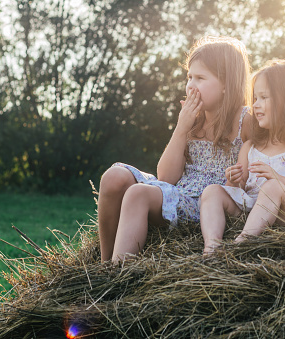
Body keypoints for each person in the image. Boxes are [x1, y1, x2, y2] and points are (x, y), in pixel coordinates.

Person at [98, 36, 252, 263]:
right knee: (113, 177)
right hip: (180, 193)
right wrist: (182, 127)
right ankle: (102, 265)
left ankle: (118, 272)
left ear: (226, 84)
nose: (191, 85)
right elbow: (167, 177)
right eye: (189, 77)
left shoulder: (245, 121)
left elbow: (245, 177)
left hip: (206, 204)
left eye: (200, 78)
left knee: (137, 193)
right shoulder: (192, 120)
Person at [200, 59, 285, 255]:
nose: (255, 105)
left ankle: (241, 244)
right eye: (255, 98)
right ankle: (211, 248)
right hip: (251, 211)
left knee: (273, 187)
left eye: (263, 97)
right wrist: (234, 180)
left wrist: (278, 179)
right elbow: (238, 190)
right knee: (212, 191)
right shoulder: (250, 147)